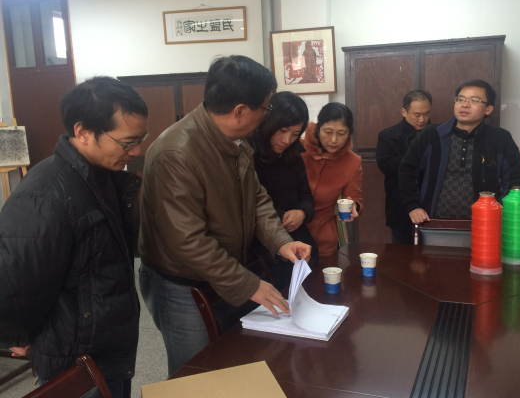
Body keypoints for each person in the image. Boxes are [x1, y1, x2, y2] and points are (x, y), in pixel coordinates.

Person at [138, 55, 311, 377]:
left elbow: (257, 199)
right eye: (266, 108)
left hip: (220, 270)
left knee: (229, 359)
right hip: (181, 281)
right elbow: (187, 241)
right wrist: (248, 284)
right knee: (195, 371)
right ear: (240, 111)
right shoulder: (176, 153)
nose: (266, 115)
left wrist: (281, 241)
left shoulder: (234, 141)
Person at [0, 76, 149, 398]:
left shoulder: (102, 176)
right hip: (74, 352)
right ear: (83, 132)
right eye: (127, 142)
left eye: (141, 139)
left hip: (106, 343)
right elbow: (17, 279)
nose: (136, 151)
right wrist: (18, 335)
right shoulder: (45, 195)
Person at [399, 79, 520, 224]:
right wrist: (413, 206)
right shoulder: (432, 134)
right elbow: (407, 170)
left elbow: (516, 178)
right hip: (433, 222)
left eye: (474, 100)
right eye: (460, 99)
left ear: (488, 109)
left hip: (484, 225)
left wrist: (503, 211)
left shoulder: (499, 138)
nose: (465, 104)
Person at [247, 91, 319, 290]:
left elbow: (306, 196)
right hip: (264, 250)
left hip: (299, 241)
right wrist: (282, 216)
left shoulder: (293, 154)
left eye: (295, 134)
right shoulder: (249, 155)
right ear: (268, 122)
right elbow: (254, 204)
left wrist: (302, 213)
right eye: (283, 130)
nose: (287, 140)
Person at [301, 102, 363, 256]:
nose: (334, 140)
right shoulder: (298, 150)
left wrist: (354, 206)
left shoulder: (352, 162)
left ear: (349, 133)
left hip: (323, 238)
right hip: (289, 234)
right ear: (318, 129)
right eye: (328, 132)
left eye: (341, 134)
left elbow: (354, 198)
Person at [376, 90, 432, 244]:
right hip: (399, 204)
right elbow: (386, 165)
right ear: (404, 112)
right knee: (402, 252)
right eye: (417, 115)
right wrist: (416, 158)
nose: (422, 119)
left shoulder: (437, 134)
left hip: (431, 203)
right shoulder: (388, 135)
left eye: (426, 114)